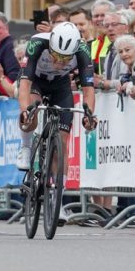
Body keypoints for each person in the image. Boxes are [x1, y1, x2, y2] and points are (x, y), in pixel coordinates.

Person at [16, 22, 97, 174]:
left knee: (61, 141)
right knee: (31, 111)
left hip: (60, 83)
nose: (60, 61)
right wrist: (25, 112)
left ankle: (59, 194)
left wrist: (89, 115)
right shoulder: (37, 43)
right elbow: (25, 84)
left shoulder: (83, 50)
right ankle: (25, 146)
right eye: (56, 55)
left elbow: (88, 90)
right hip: (36, 80)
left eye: (66, 58)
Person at [90, 0, 117, 75]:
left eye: (103, 15)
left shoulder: (117, 42)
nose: (99, 19)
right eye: (96, 16)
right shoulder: (94, 43)